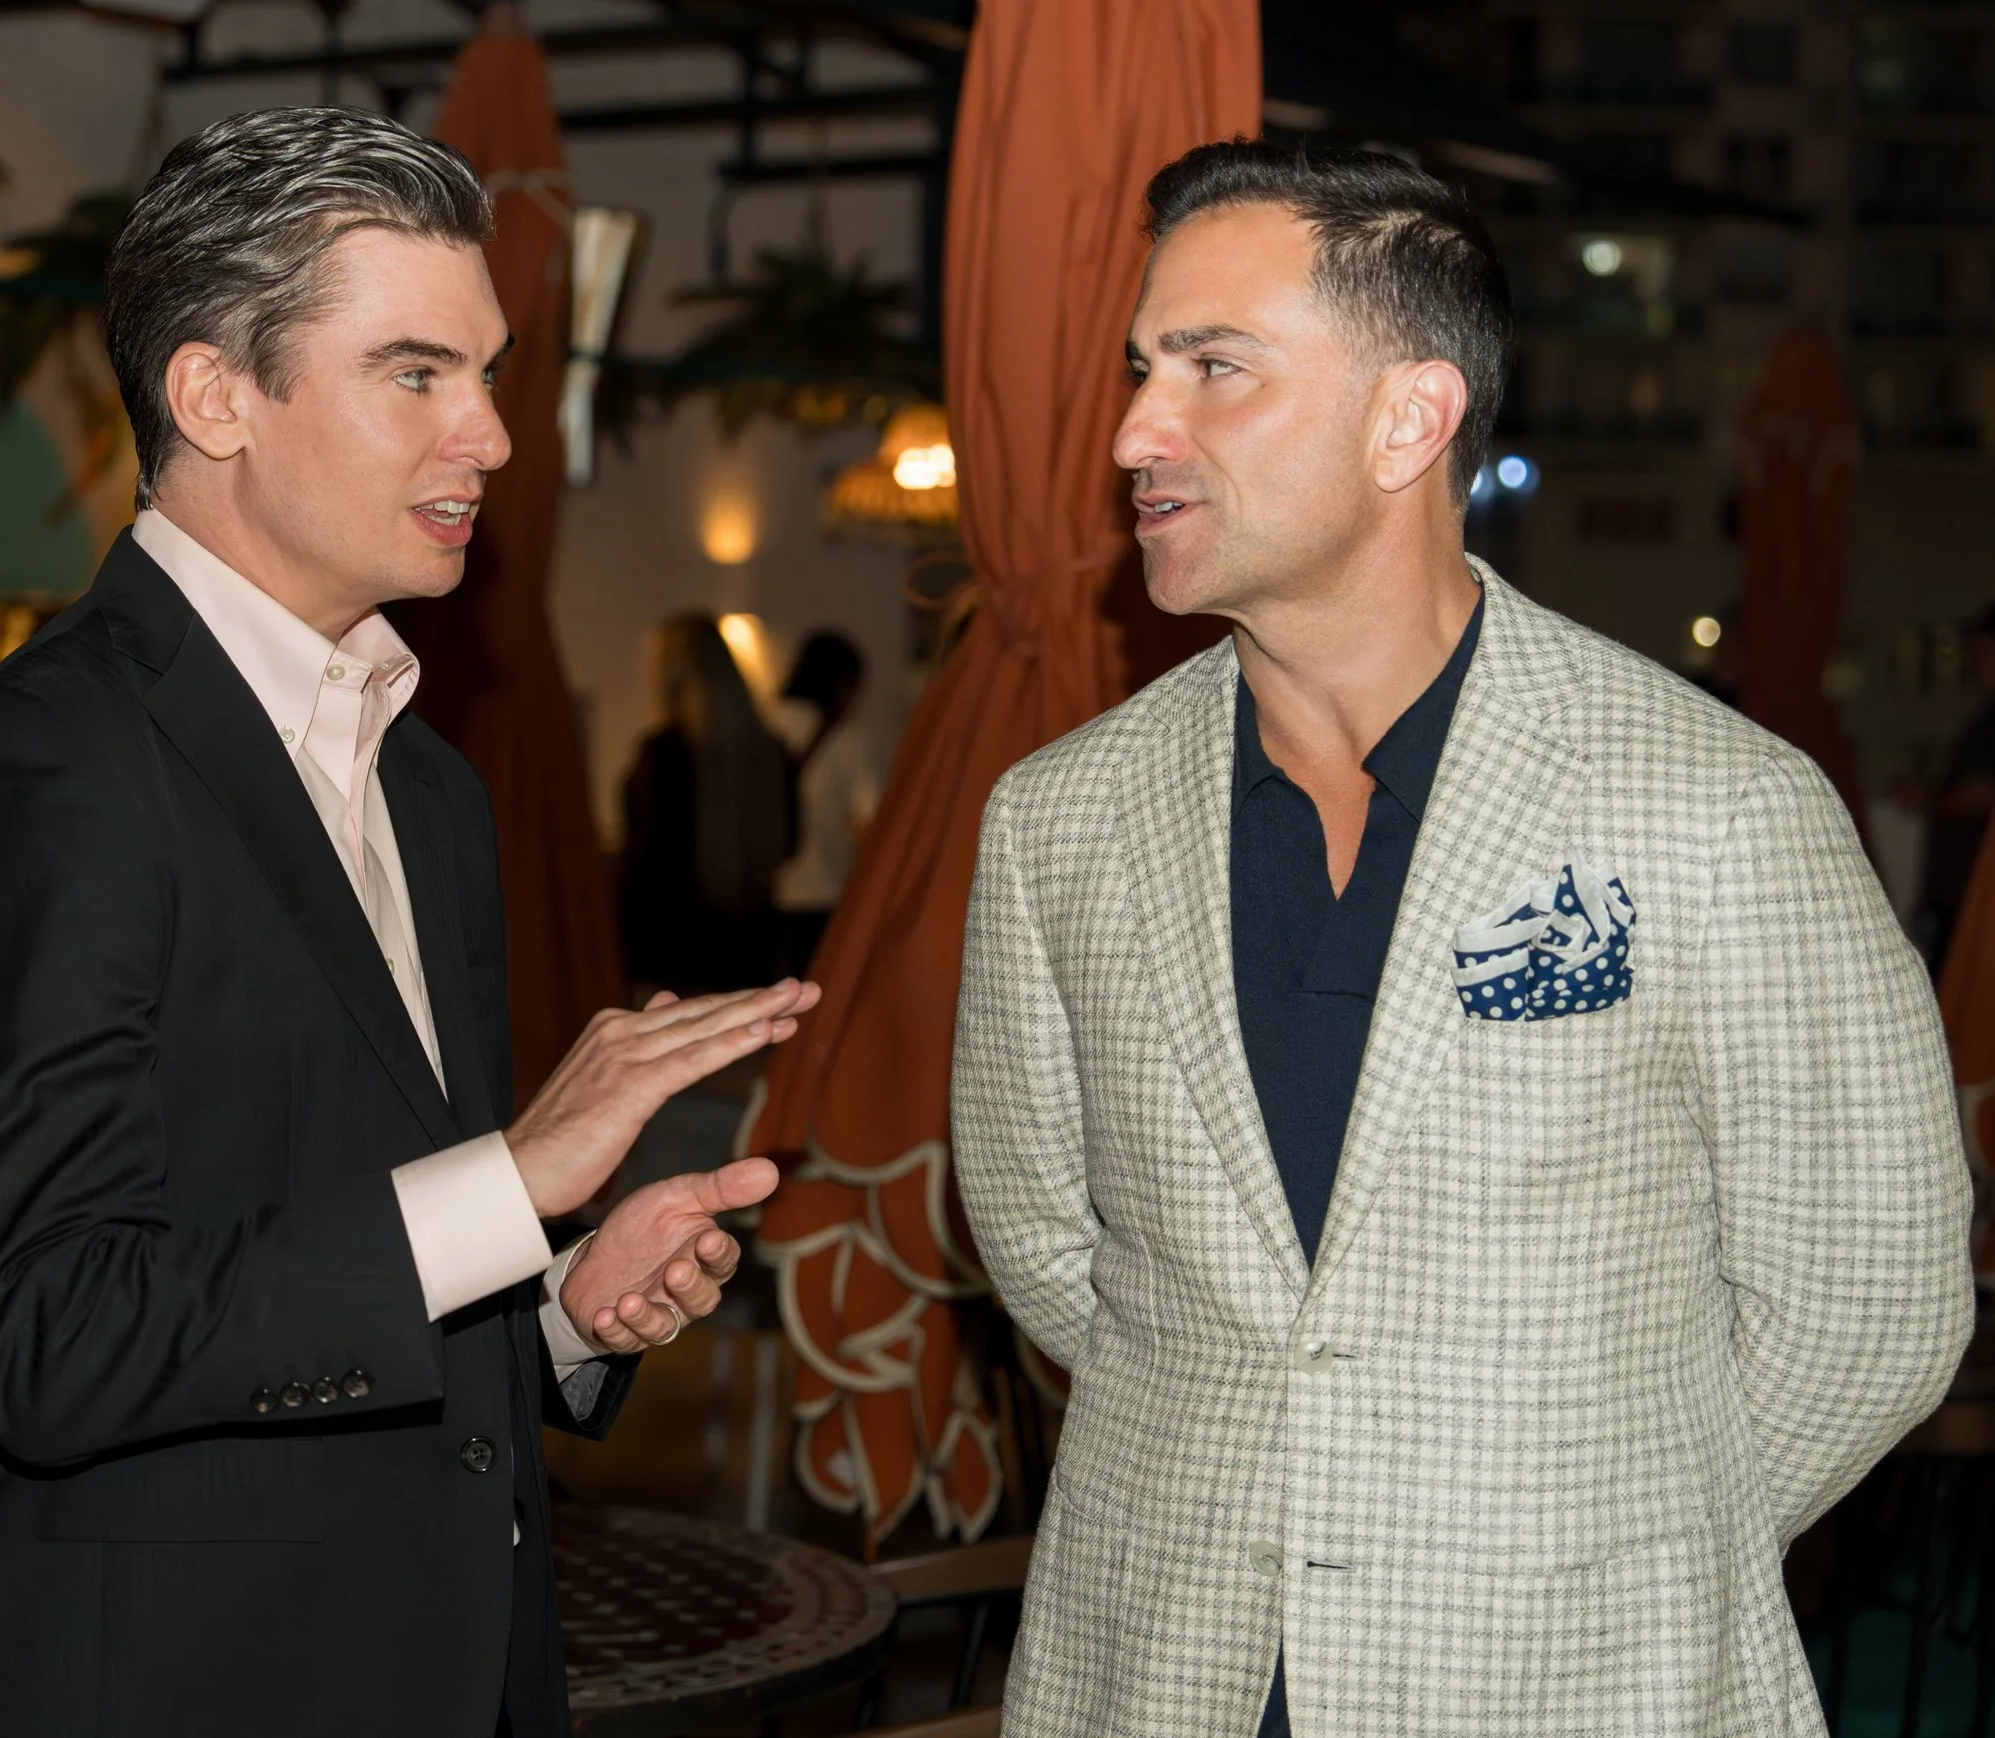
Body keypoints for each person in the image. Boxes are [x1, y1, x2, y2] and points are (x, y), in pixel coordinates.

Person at [951, 141, 1970, 1738]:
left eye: (1217, 369)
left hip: (1584, 1681)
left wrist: (1583, 1538)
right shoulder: (1055, 821)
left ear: (1410, 417)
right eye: (1144, 370)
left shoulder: (1721, 804)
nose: (1138, 432)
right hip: (1158, 1675)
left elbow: (1871, 1296)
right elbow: (1049, 1246)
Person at [0, 107, 821, 1738]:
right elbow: (52, 1335)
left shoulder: (433, 791)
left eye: (490, 371)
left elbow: (351, 1265)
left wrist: (559, 1305)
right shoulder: (51, 758)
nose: (495, 437)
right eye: (417, 373)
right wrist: (516, 1178)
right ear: (213, 393)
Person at [618, 614, 795, 989]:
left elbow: (645, 860)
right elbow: (789, 843)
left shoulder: (664, 754)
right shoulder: (771, 753)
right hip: (751, 944)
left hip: (675, 949)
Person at [773, 629, 882, 974]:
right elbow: (869, 823)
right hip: (826, 896)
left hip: (762, 898)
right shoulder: (851, 741)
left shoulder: (766, 725)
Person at [1922, 604, 1995, 972]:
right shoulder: (1983, 717)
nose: (1974, 665)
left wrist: (1927, 799)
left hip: (1977, 897)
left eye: (1983, 655)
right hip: (1961, 893)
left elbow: (1982, 792)